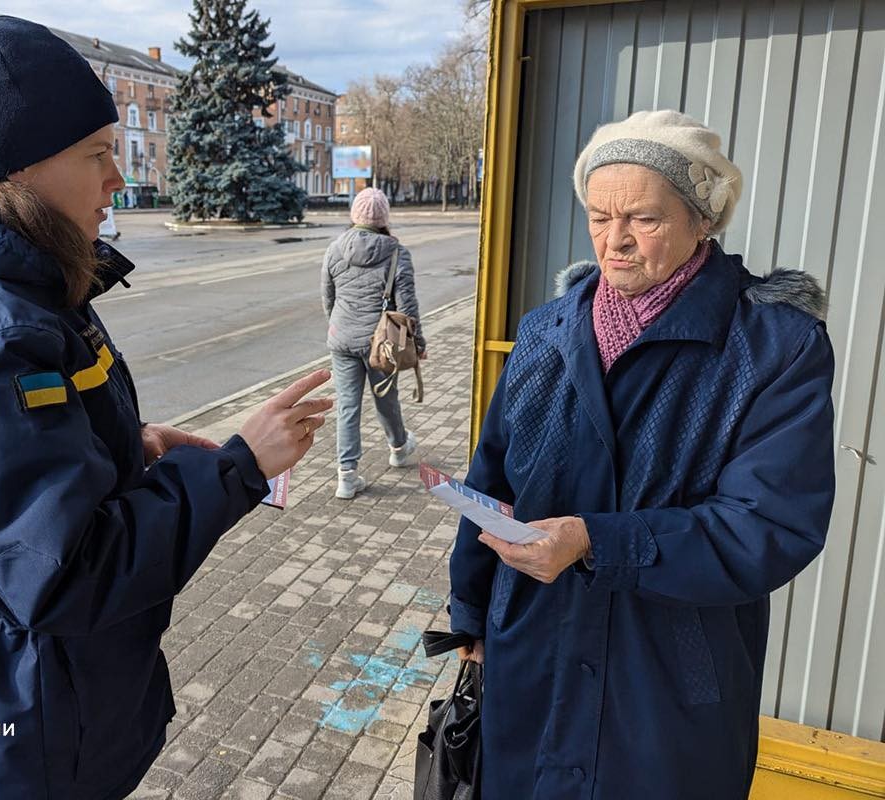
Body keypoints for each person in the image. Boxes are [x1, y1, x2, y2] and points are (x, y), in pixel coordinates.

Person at [0, 16, 331, 799]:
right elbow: (62, 574)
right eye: (96, 154)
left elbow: (12, 484)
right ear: (25, 167)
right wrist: (238, 469)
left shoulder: (23, 288)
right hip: (30, 716)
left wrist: (125, 445)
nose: (118, 177)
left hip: (37, 692)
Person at [448, 110, 836, 799]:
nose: (614, 241)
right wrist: (472, 616)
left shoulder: (775, 347)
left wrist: (598, 540)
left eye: (644, 220)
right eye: (599, 216)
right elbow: (491, 479)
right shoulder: (545, 333)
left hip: (666, 683)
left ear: (703, 220)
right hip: (534, 653)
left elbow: (768, 526)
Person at [321, 187, 425, 499]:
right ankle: (398, 447)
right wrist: (417, 343)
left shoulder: (335, 248)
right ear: (383, 218)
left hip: (341, 340)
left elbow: (328, 297)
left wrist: (339, 327)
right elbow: (407, 306)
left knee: (348, 407)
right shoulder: (396, 252)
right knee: (386, 398)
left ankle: (346, 476)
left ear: (354, 215)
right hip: (380, 343)